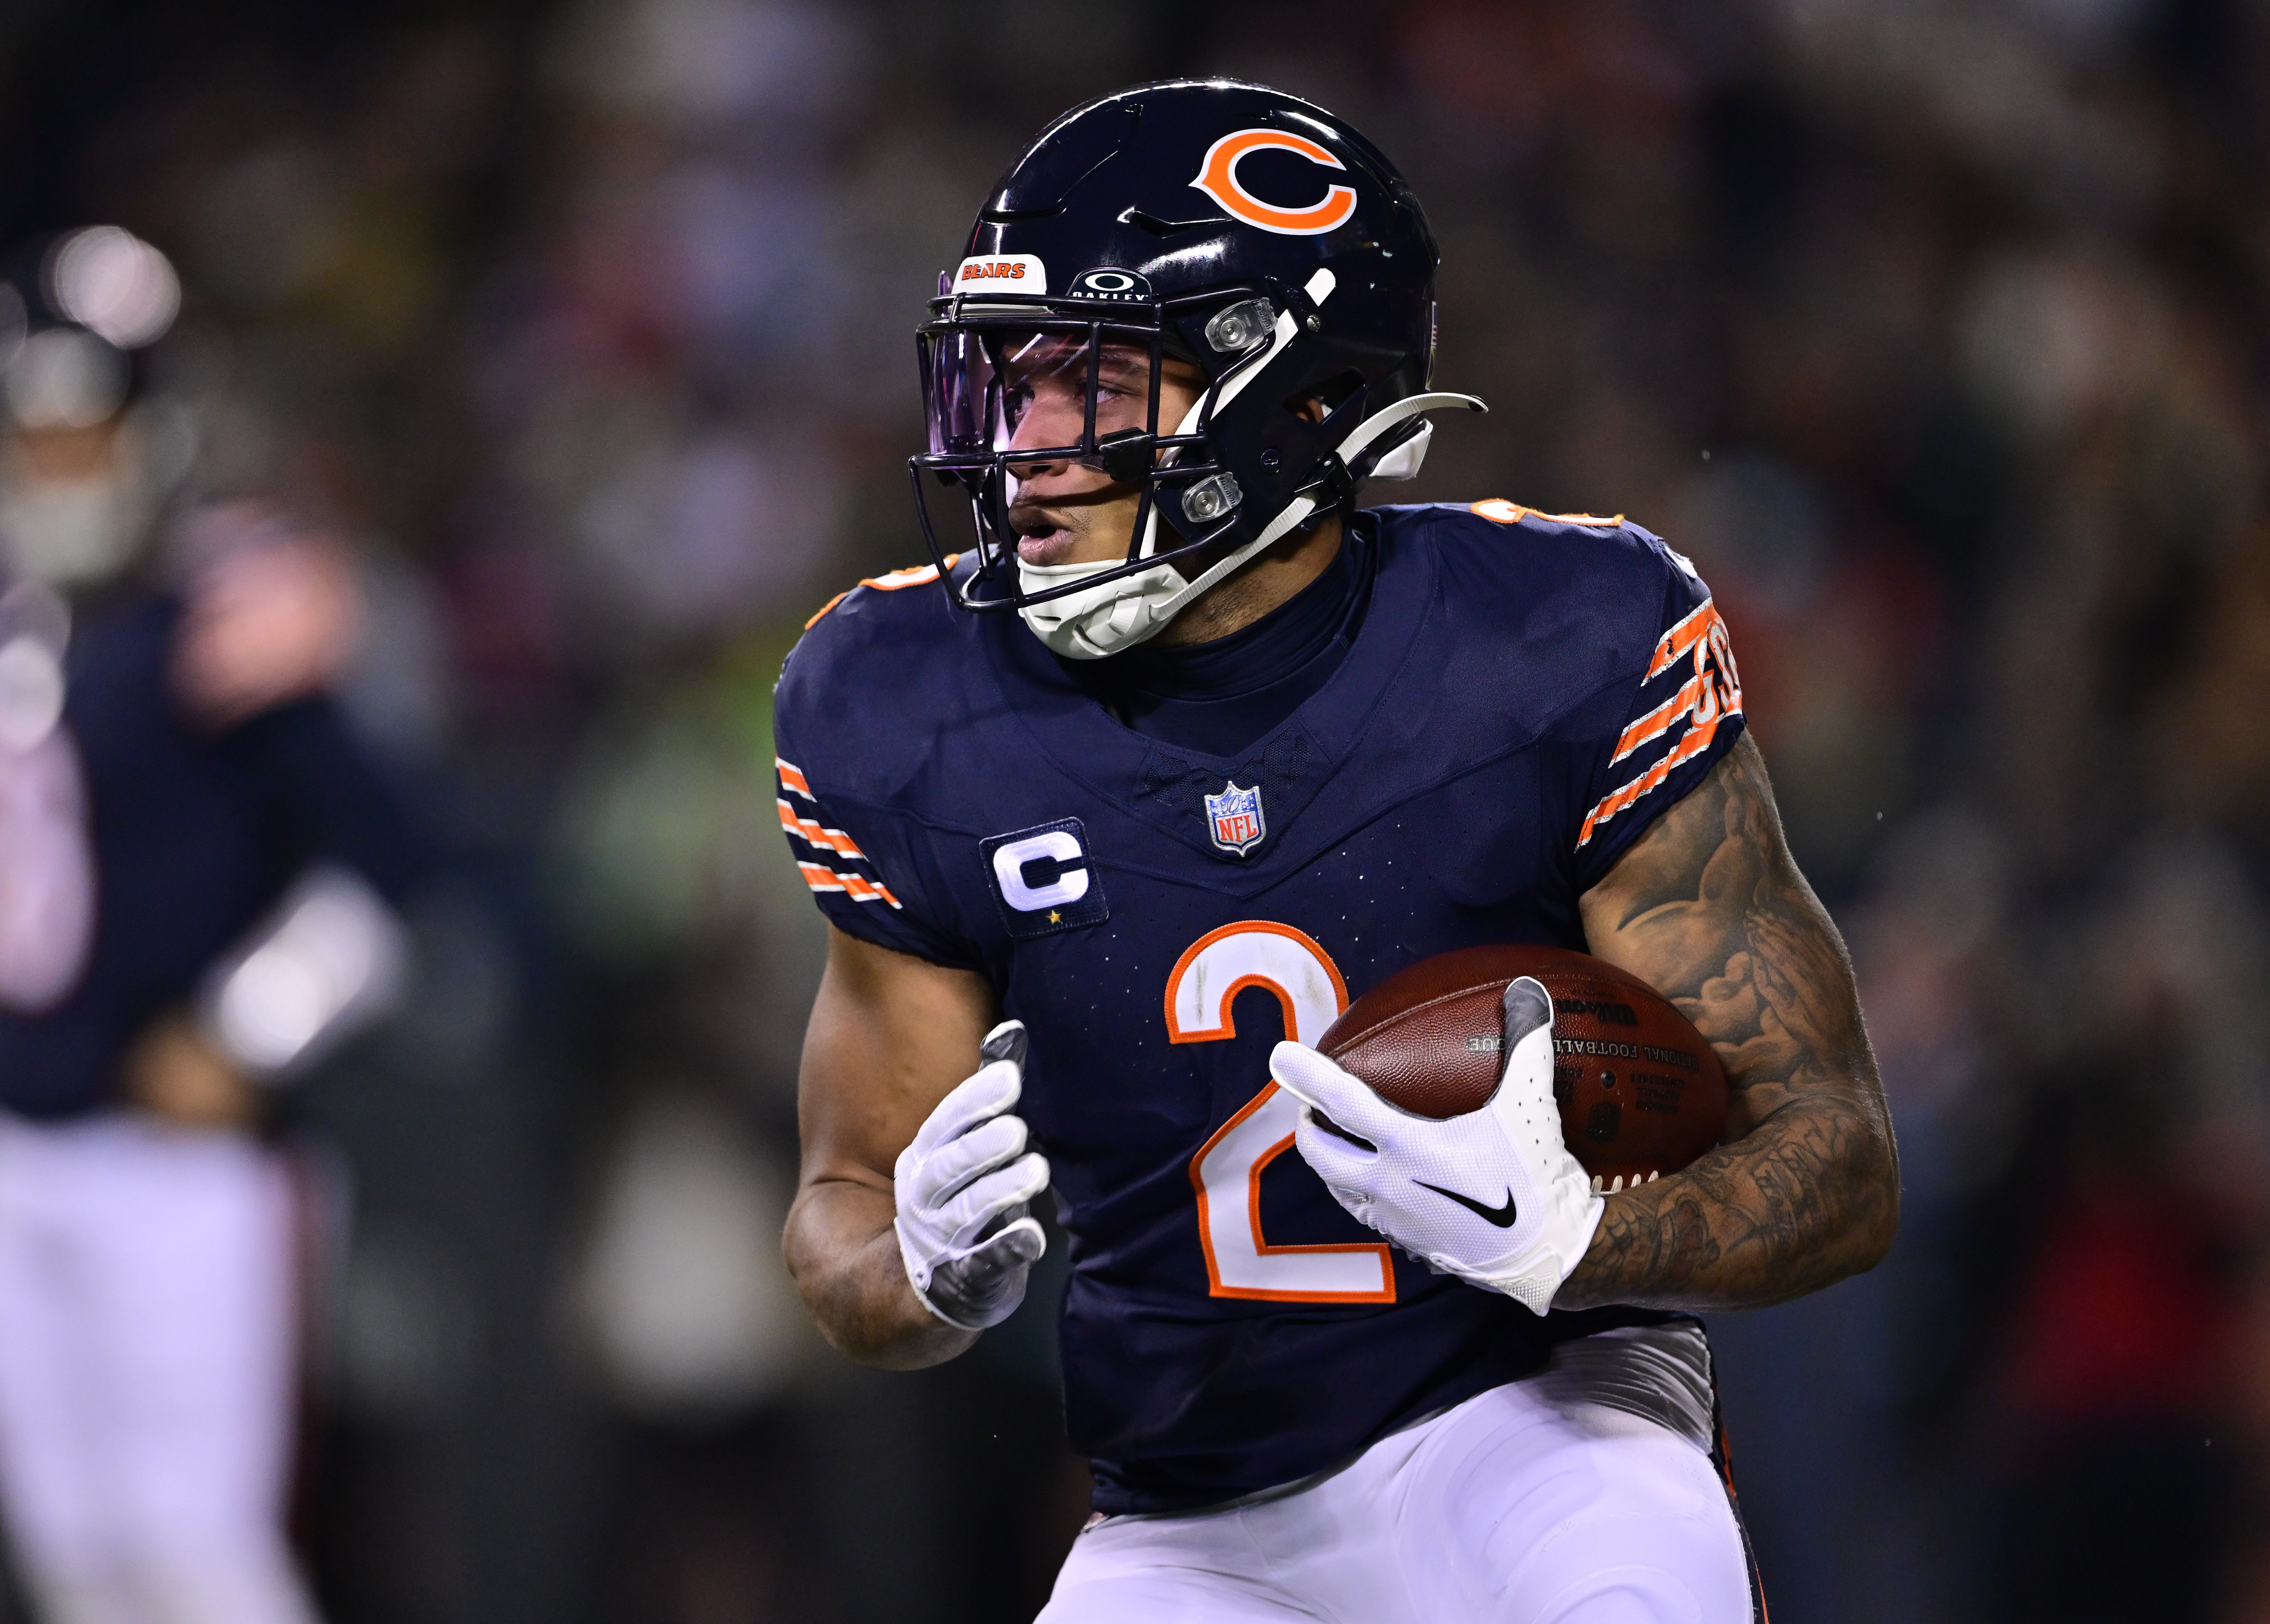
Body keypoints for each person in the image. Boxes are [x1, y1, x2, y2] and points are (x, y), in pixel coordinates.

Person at [775, 80, 1899, 1622]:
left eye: (1090, 384)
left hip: (1540, 1414)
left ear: (1286, 394)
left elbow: (1836, 1159)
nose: (1021, 448)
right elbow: (840, 1208)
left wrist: (1584, 1236)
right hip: (1183, 1510)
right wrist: (919, 1266)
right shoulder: (899, 697)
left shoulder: (1557, 639)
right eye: (1006, 383)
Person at [0, 229, 419, 1624]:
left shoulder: (228, 612)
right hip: (16, 1156)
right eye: (36, 436)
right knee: (81, 1575)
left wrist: (244, 1029)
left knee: (204, 1564)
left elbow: (388, 870)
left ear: (153, 437)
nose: (61, 468)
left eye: (88, 433)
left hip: (178, 1165)